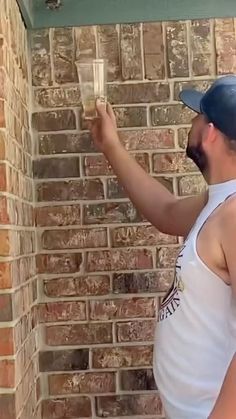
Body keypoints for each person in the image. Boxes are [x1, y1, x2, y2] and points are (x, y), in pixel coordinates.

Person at [89, 75, 236, 419]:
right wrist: (111, 144)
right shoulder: (218, 204)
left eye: (196, 116)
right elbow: (166, 212)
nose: (191, 123)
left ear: (210, 132)